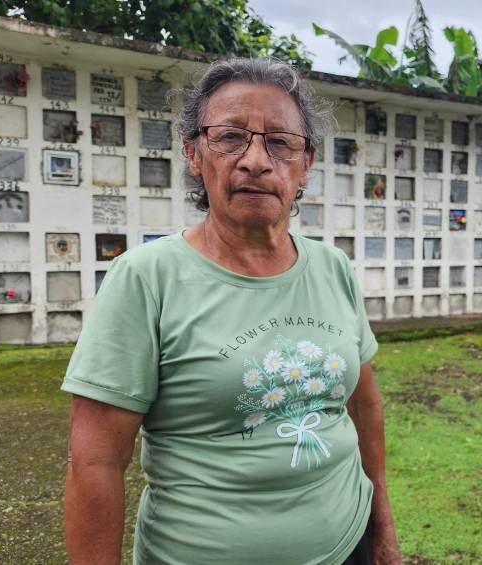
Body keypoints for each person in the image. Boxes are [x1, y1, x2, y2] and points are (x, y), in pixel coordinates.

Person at [62, 57, 401, 565]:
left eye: (280, 142)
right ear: (194, 155)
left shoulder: (333, 268)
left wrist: (382, 527)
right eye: (230, 137)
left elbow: (364, 406)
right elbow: (96, 462)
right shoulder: (146, 278)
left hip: (345, 544)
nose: (256, 161)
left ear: (305, 163)